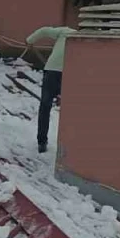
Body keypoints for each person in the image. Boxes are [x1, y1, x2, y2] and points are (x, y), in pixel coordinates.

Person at [25, 25, 76, 154]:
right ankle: (68, 145)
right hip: (71, 72)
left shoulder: (64, 31)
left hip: (52, 71)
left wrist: (29, 40)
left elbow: (43, 30)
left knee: (45, 106)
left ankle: (42, 142)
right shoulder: (88, 36)